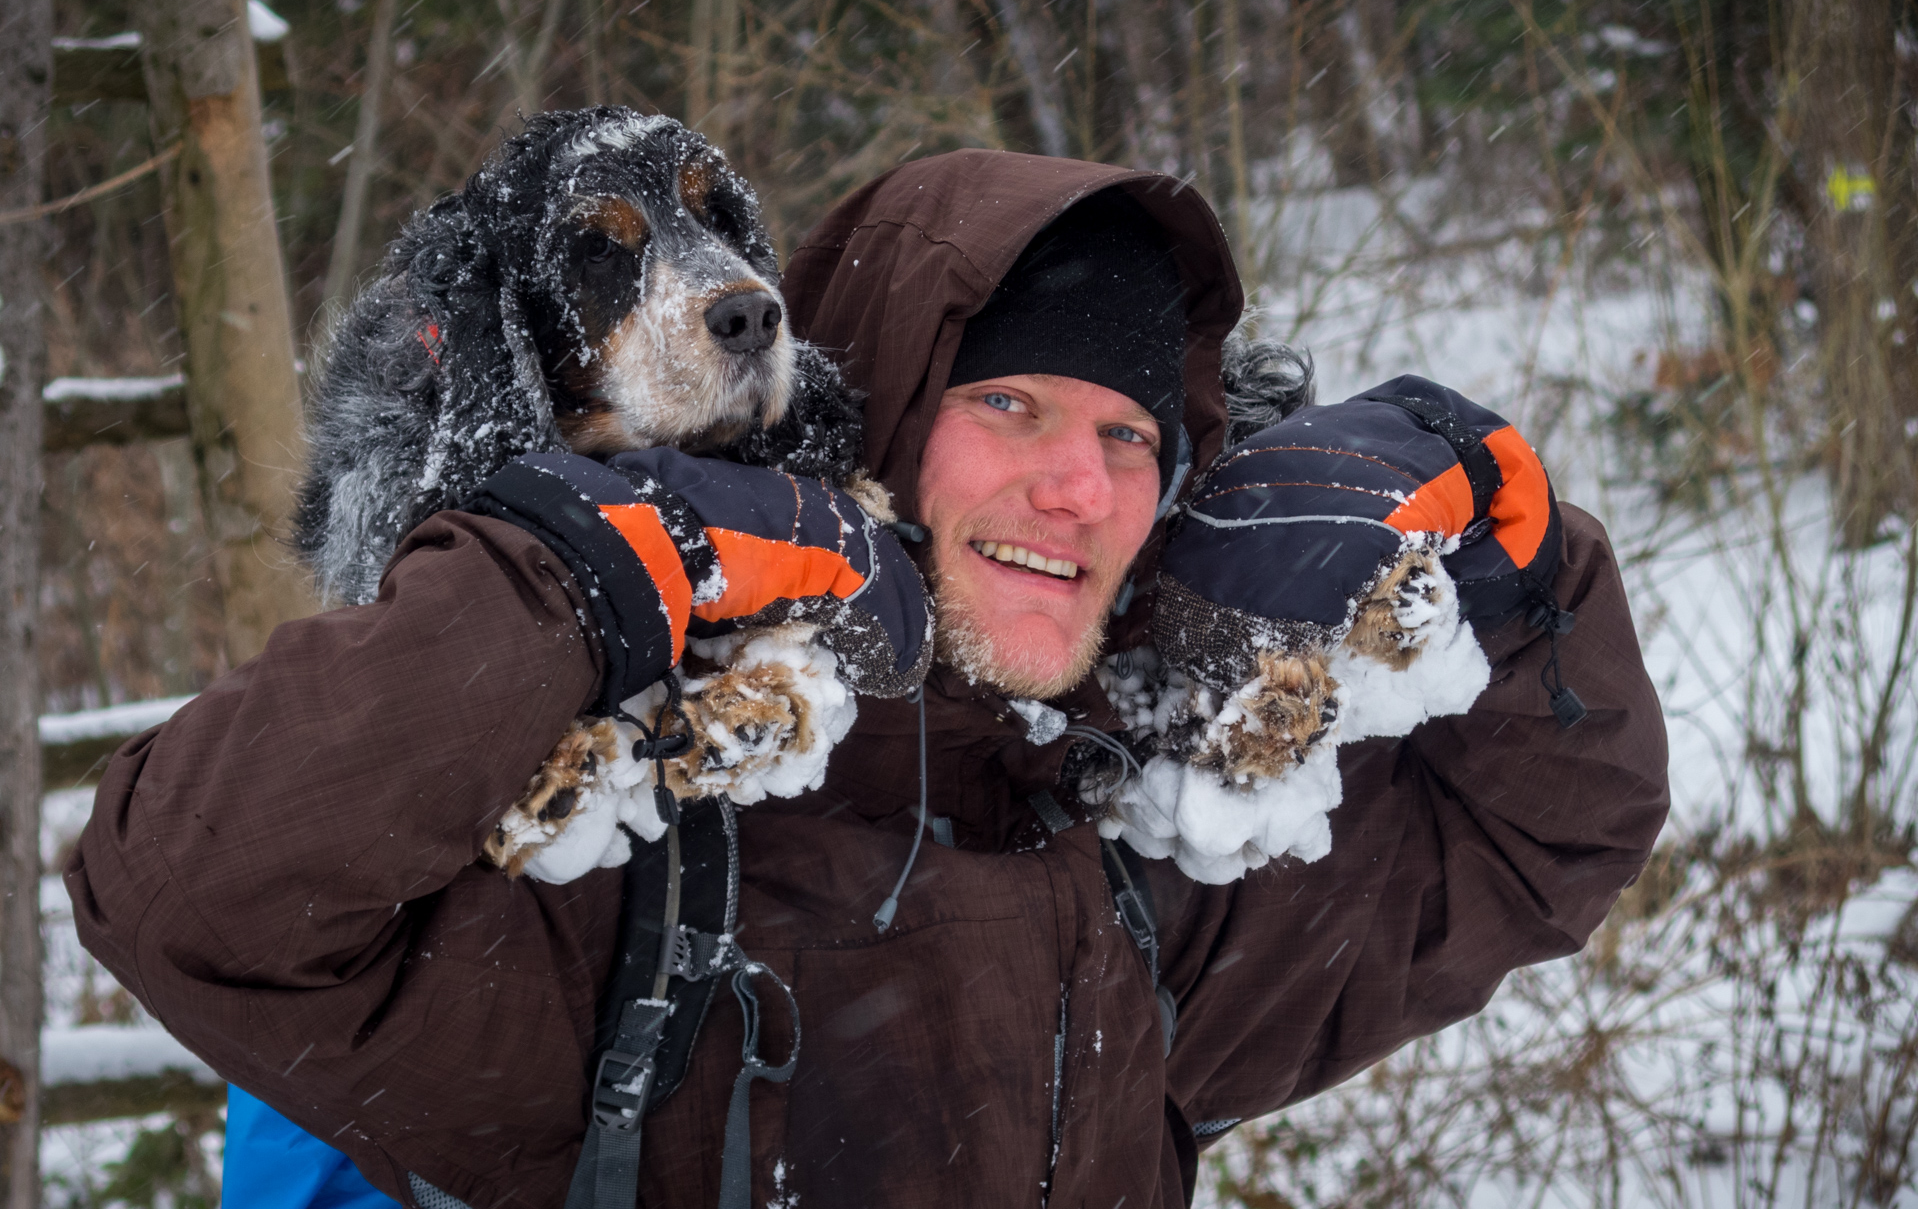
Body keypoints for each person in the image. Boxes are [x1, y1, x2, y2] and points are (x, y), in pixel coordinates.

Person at [69, 149, 1668, 1208]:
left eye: (1131, 437)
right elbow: (196, 898)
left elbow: (1533, 845)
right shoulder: (617, 861)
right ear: (881, 419)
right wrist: (560, 577)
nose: (1081, 489)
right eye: (1017, 410)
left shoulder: (1133, 877)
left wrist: (1521, 570)